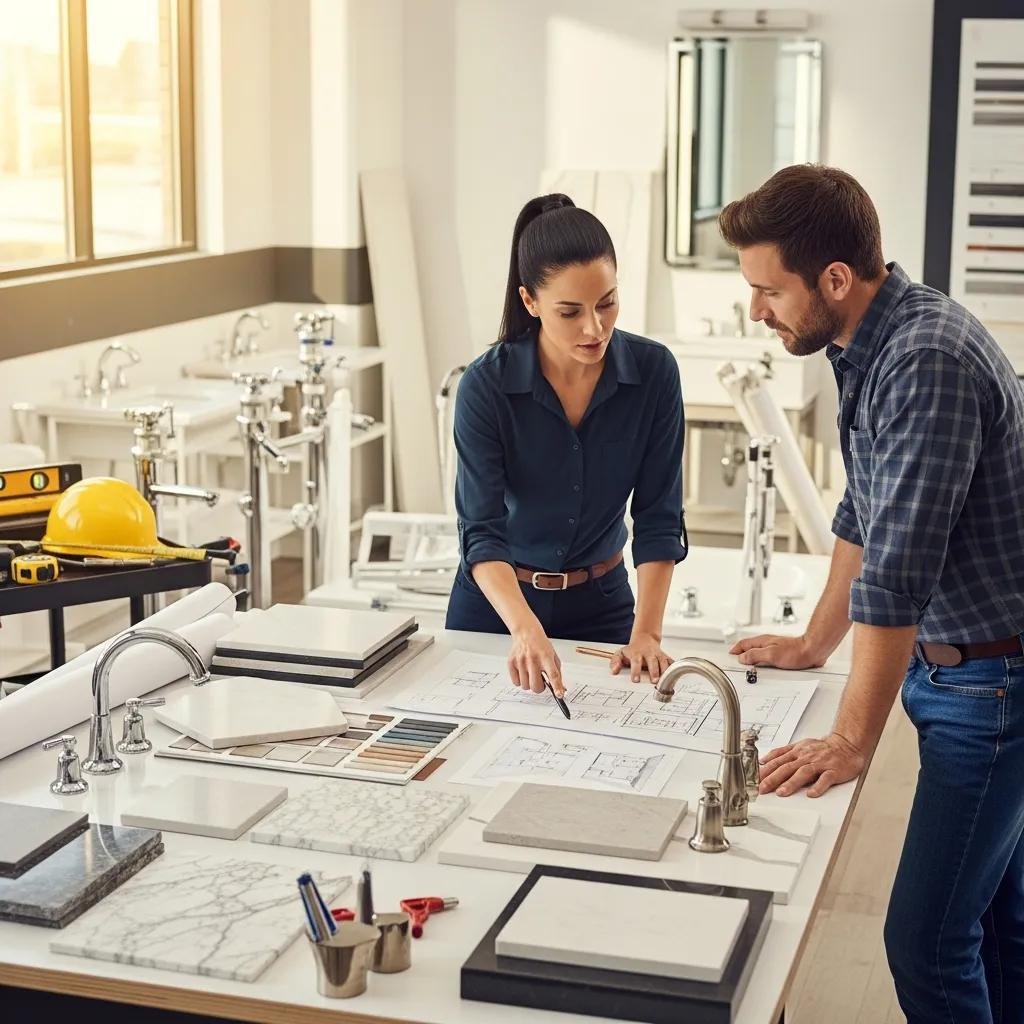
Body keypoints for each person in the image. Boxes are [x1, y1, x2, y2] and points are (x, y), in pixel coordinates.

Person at [718, 163, 1024, 1023]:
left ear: (834, 279)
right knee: (1000, 925)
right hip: (962, 668)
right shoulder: (870, 341)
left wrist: (853, 739)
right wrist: (814, 643)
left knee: (925, 944)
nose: (757, 311)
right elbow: (864, 508)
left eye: (768, 290)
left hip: (992, 684)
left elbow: (898, 571)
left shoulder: (924, 360)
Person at [445, 193, 688, 697]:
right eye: (570, 312)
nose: (594, 327)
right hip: (497, 610)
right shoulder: (486, 386)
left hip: (603, 606)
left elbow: (659, 516)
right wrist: (525, 629)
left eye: (607, 303)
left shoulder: (655, 373)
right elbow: (481, 531)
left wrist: (647, 633)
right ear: (530, 302)